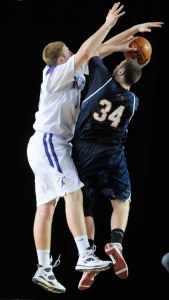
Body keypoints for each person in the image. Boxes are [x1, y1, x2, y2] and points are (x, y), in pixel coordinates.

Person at [26, 2, 128, 294]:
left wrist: (130, 32)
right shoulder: (55, 74)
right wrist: (107, 22)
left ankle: (43, 268)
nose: (73, 55)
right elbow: (86, 51)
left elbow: (98, 49)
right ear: (60, 60)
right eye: (68, 53)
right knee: (74, 193)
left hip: (45, 145)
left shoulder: (70, 70)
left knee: (46, 207)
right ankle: (85, 254)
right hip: (50, 142)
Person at [71, 22, 164, 290]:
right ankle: (116, 242)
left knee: (84, 205)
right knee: (122, 201)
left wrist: (127, 38)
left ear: (120, 70)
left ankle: (87, 254)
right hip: (113, 153)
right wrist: (135, 60)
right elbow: (131, 76)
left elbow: (95, 50)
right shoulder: (134, 103)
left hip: (85, 150)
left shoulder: (103, 79)